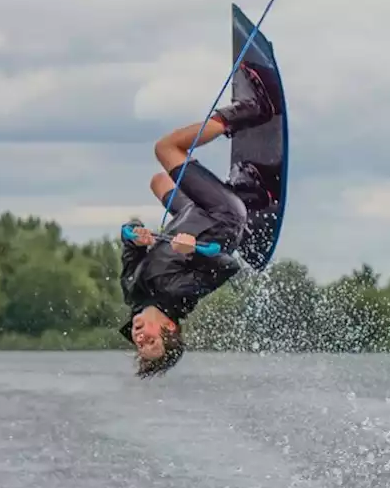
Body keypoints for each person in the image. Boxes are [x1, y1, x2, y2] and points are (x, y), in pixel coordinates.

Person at [119, 64, 278, 378]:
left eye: (139, 344)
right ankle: (252, 110)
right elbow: (228, 266)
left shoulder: (132, 290)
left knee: (157, 181)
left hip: (190, 212)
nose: (139, 338)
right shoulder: (181, 294)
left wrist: (134, 237)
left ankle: (249, 193)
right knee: (166, 149)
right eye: (151, 341)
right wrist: (188, 251)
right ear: (169, 327)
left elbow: (128, 240)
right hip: (223, 215)